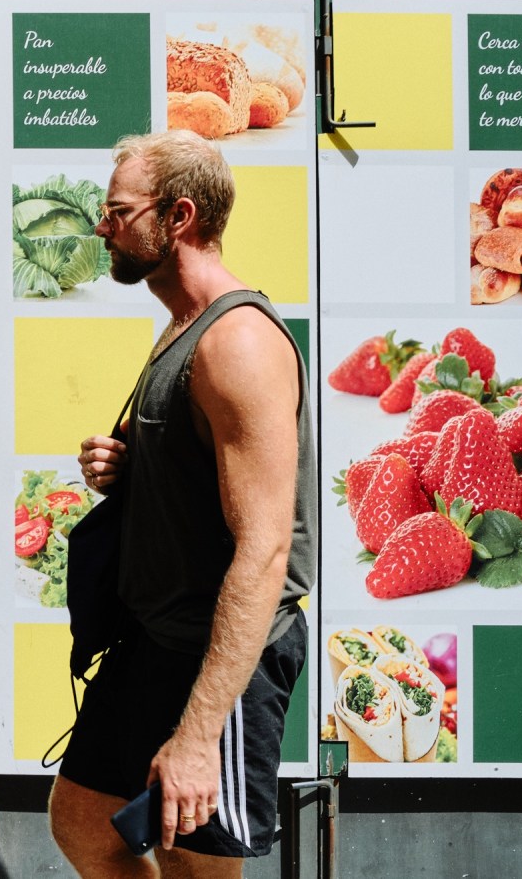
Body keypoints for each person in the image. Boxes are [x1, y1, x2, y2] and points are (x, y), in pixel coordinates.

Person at [49, 130, 316, 879]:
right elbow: (199, 476)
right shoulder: (184, 325)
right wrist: (128, 471)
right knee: (83, 820)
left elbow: (264, 549)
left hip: (217, 653)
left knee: (191, 860)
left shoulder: (238, 344)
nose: (103, 227)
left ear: (180, 217)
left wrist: (200, 735)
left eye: (118, 211)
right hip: (154, 640)